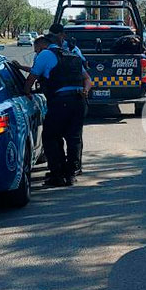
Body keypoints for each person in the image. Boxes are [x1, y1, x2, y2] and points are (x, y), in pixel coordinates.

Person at [26, 35, 92, 188]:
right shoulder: (72, 56)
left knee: (51, 137)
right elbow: (88, 79)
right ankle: (70, 174)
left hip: (60, 102)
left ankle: (57, 175)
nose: (36, 53)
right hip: (79, 102)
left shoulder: (45, 55)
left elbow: (32, 77)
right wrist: (85, 91)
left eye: (37, 50)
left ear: (43, 46)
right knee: (74, 138)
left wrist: (26, 91)